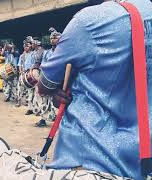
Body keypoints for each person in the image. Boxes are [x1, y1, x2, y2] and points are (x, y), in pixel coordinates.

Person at [36, 0, 152, 179]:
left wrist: (54, 89)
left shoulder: (89, 22)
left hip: (92, 162)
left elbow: (45, 84)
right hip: (145, 160)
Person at [34, 28, 61, 127]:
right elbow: (43, 64)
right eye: (51, 38)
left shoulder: (63, 52)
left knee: (57, 99)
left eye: (55, 37)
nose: (52, 39)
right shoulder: (46, 52)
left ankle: (59, 122)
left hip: (59, 80)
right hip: (47, 79)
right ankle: (43, 119)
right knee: (43, 98)